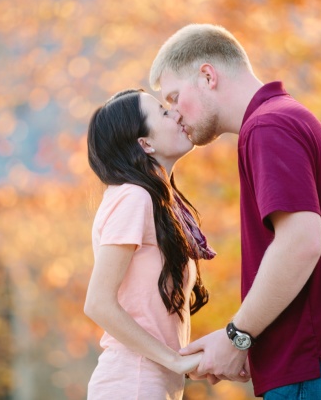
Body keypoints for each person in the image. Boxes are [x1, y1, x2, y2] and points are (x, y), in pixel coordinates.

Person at [148, 24, 321, 399]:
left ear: (207, 75)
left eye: (175, 97)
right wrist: (256, 342)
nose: (175, 114)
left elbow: (302, 241)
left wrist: (237, 335)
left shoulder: (268, 126)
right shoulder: (288, 118)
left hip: (318, 375)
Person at [84, 89, 221, 400]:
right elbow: (98, 302)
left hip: (150, 383)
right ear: (144, 144)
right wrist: (176, 359)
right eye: (162, 112)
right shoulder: (134, 197)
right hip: (132, 382)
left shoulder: (157, 203)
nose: (176, 114)